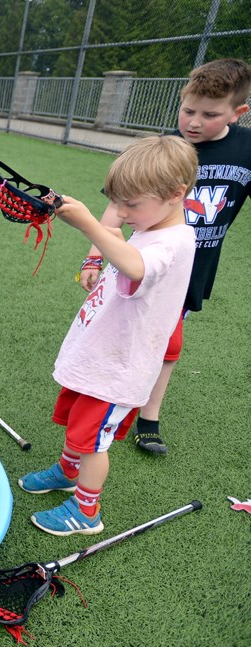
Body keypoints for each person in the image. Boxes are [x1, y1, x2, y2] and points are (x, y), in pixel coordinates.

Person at [20, 135, 198, 537]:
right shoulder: (151, 225)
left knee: (93, 443)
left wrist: (87, 223)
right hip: (100, 357)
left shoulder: (173, 241)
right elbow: (125, 249)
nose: (118, 212)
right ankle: (67, 472)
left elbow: (137, 267)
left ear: (174, 194)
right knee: (78, 427)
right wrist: (97, 252)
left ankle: (87, 512)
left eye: (129, 204)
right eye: (115, 201)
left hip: (118, 371)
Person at [79, 58, 251, 455]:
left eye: (209, 114)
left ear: (238, 113)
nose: (193, 121)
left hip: (191, 272)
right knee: (123, 334)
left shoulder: (245, 149)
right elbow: (118, 205)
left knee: (166, 345)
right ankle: (106, 400)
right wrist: (93, 255)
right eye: (188, 110)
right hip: (141, 265)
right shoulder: (164, 149)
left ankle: (148, 416)